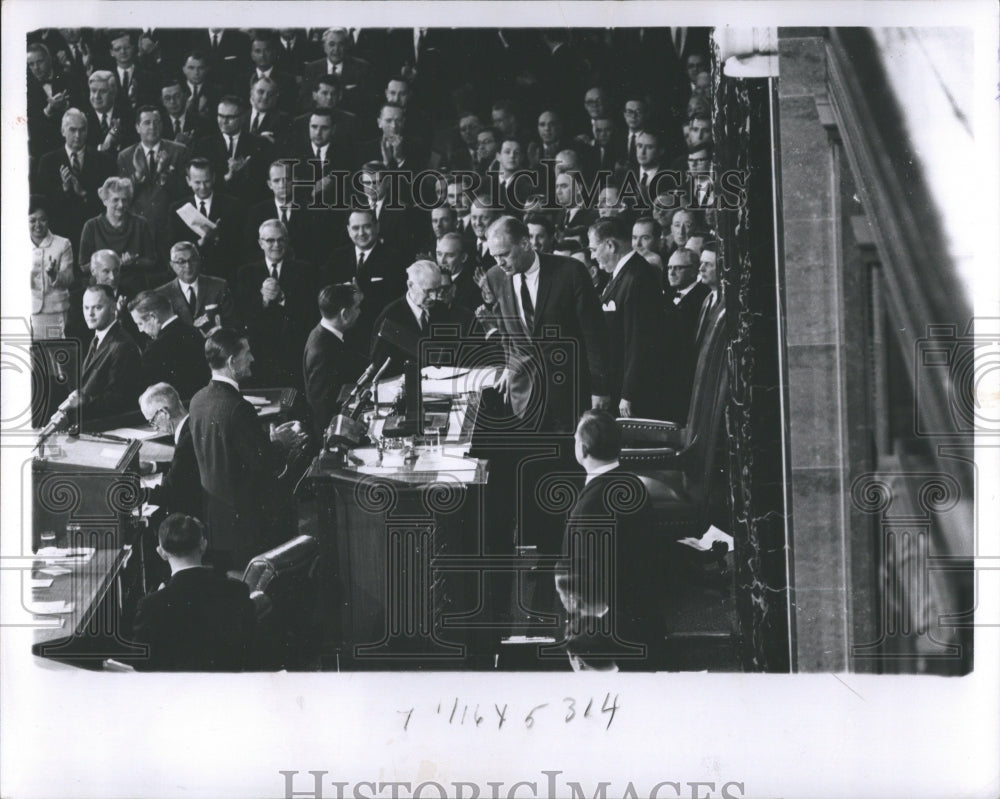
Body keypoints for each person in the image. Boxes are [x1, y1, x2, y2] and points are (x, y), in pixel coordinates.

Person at [188, 328, 309, 571]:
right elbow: (264, 464)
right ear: (232, 362)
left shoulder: (197, 399)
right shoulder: (237, 407)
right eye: (247, 353)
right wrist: (282, 442)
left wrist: (267, 441)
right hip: (247, 525)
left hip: (217, 522)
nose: (252, 358)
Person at [485, 215, 610, 434]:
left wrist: (600, 389)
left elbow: (595, 336)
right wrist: (508, 365)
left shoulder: (570, 272)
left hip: (569, 396)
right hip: (523, 397)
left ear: (525, 244)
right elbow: (506, 329)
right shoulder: (495, 277)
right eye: (494, 256)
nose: (500, 262)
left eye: (504, 254)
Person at [555, 410, 659, 671]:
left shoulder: (589, 510)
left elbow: (584, 586)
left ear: (583, 450)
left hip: (606, 635)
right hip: (640, 612)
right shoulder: (633, 484)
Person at [131, 513, 256, 671]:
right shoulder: (237, 591)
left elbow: (140, 664)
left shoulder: (150, 605)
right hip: (228, 689)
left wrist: (157, 598)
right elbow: (252, 651)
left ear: (161, 552)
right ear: (203, 545)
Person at [587, 217, 666, 419]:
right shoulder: (623, 275)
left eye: (594, 249)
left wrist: (628, 394)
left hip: (631, 394)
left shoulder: (637, 277)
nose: (593, 256)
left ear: (611, 245)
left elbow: (639, 340)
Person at [235, 219, 316, 388]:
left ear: (287, 241)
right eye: (270, 240)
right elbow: (242, 314)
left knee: (291, 403)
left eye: (281, 239)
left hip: (293, 352)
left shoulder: (305, 271)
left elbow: (309, 313)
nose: (276, 245)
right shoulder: (247, 273)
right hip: (259, 354)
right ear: (260, 243)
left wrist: (282, 298)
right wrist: (264, 300)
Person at [32, 107, 114, 254]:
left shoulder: (103, 161)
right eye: (72, 130)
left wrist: (83, 193)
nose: (78, 135)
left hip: (93, 236)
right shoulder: (48, 161)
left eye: (82, 130)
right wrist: (64, 189)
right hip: (59, 236)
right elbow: (42, 202)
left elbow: (108, 203)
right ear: (63, 131)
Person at [60, 283, 142, 422]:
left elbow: (118, 399)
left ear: (112, 308)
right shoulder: (98, 337)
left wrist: (84, 400)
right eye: (86, 307)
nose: (90, 314)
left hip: (104, 424)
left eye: (97, 307)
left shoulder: (122, 345)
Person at [302, 283, 367, 437]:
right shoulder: (321, 350)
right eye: (357, 307)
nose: (360, 312)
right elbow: (323, 408)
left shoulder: (326, 335)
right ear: (344, 314)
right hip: (333, 436)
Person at [169, 158, 242, 282]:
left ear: (213, 178)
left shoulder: (232, 205)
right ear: (188, 181)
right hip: (190, 276)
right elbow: (173, 246)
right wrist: (199, 244)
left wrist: (218, 237)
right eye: (197, 182)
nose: (203, 187)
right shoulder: (177, 209)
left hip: (223, 274)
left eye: (206, 181)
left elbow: (238, 247)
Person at [137, 383, 203, 520]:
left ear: (164, 413)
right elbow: (184, 468)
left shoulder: (186, 441)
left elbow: (170, 492)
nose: (154, 428)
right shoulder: (193, 425)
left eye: (152, 421)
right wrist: (153, 467)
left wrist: (136, 494)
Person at [129, 290, 209, 399]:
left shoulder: (154, 350)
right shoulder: (196, 333)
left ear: (153, 317)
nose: (140, 330)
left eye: (140, 323)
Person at [78, 176, 156, 281]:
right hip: (102, 285)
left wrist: (134, 262)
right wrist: (107, 264)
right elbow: (83, 266)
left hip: (133, 283)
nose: (121, 205)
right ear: (105, 201)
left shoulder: (140, 224)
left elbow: (151, 260)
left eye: (124, 200)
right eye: (115, 200)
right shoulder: (91, 226)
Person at [663, 247, 710, 420]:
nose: (671, 272)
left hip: (690, 377)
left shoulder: (703, 297)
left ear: (693, 271)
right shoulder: (667, 296)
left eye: (678, 268)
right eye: (669, 268)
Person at [154, 241, 237, 332]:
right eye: (181, 262)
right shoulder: (161, 295)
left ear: (199, 260)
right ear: (172, 265)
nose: (188, 266)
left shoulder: (219, 286)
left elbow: (231, 323)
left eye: (193, 260)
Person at [29, 198, 75, 340]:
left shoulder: (62, 244)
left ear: (48, 220)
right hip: (24, 310)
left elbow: (69, 278)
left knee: (53, 356)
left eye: (42, 220)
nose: (38, 225)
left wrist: (55, 276)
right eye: (32, 220)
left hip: (54, 311)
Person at [436, 232, 482, 311]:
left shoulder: (473, 287)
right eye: (439, 254)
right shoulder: (431, 280)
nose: (442, 261)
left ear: (463, 257)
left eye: (450, 255)